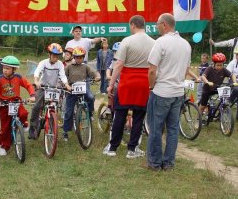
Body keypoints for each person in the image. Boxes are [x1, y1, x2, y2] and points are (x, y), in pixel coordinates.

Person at [103, 15, 155, 159]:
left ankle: (112, 147)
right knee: (139, 116)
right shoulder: (154, 42)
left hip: (127, 81)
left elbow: (119, 64)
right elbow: (154, 67)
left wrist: (111, 84)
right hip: (143, 82)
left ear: (132, 25)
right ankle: (132, 149)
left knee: (120, 114)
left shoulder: (127, 41)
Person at [147, 13, 191, 171]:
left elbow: (152, 70)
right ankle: (169, 163)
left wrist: (152, 87)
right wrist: (178, 82)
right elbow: (186, 69)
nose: (157, 26)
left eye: (158, 23)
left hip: (161, 92)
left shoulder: (161, 42)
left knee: (155, 128)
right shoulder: (186, 44)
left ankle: (154, 163)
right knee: (173, 129)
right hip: (178, 92)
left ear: (164, 24)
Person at [0, 56, 36, 156]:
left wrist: (32, 95)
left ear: (14, 69)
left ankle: (24, 124)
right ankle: (3, 146)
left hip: (16, 102)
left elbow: (28, 85)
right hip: (4, 104)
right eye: (4, 68)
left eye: (8, 68)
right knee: (5, 128)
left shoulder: (18, 77)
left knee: (23, 113)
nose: (5, 70)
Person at [28, 43, 71, 139]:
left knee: (54, 107)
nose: (55, 57)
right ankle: (32, 127)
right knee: (37, 106)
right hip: (43, 87)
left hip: (54, 88)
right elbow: (37, 72)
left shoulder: (60, 64)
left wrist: (66, 85)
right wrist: (36, 81)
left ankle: (52, 124)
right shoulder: (43, 62)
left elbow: (62, 75)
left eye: (57, 56)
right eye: (53, 55)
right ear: (49, 54)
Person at [63, 47, 100, 141]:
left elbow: (94, 73)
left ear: (83, 57)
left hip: (83, 88)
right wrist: (65, 84)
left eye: (81, 57)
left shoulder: (85, 66)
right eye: (77, 57)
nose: (79, 59)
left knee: (91, 97)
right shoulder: (69, 67)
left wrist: (97, 76)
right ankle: (66, 132)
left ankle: (90, 113)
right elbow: (62, 76)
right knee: (68, 112)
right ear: (74, 57)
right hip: (72, 89)